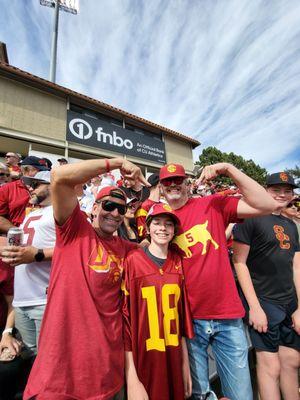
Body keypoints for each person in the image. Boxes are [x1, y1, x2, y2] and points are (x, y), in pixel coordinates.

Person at [24, 157, 149, 400]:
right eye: (108, 205)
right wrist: (116, 162)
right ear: (93, 207)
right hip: (60, 376)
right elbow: (59, 177)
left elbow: (155, 240)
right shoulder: (74, 229)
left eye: (120, 209)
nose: (114, 213)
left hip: (107, 372)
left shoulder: (127, 249)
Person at [159, 163, 277, 400]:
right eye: (168, 182)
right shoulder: (161, 220)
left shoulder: (210, 203)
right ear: (161, 188)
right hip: (189, 320)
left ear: (187, 184)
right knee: (199, 394)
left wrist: (228, 169)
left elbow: (268, 204)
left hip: (226, 315)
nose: (173, 185)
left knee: (241, 395)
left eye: (178, 180)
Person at [232, 172, 300, 400]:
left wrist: (299, 307)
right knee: (270, 366)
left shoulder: (290, 224)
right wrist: (255, 307)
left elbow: (297, 268)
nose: (282, 195)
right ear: (265, 190)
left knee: (291, 361)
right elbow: (239, 263)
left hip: (289, 302)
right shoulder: (250, 218)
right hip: (264, 300)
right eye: (276, 190)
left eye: (287, 190)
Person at [122, 203, 193, 400]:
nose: (163, 228)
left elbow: (180, 321)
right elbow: (126, 322)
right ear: (147, 227)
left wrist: (185, 365)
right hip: (144, 358)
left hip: (173, 357)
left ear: (174, 230)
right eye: (157, 223)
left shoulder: (179, 261)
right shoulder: (133, 261)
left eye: (168, 224)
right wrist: (132, 377)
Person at [1, 171, 55, 357]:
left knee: (47, 361)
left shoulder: (62, 212)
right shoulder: (33, 212)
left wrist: (37, 255)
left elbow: (75, 250)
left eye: (36, 183)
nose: (30, 187)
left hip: (45, 299)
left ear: (52, 185)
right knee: (30, 359)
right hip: (21, 299)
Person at [0, 156, 48, 234]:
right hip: (15, 239)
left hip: (40, 237)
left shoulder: (47, 189)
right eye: (40, 171)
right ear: (25, 170)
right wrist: (19, 232)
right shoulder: (6, 189)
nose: (43, 174)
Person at [135, 173, 160, 241]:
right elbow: (142, 233)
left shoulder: (163, 205)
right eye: (165, 183)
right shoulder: (144, 206)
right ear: (159, 184)